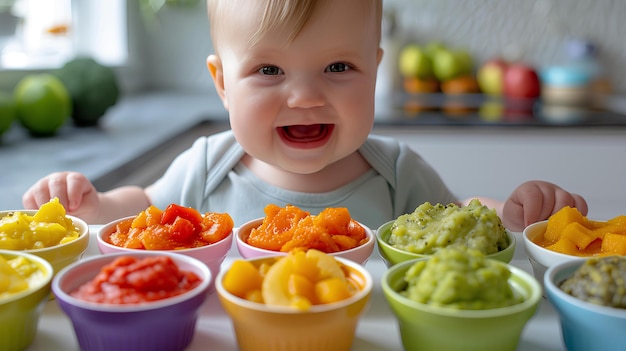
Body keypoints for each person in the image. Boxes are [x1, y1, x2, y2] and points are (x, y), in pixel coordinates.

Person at [22, 0, 587, 232]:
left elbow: (459, 216)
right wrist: (93, 206)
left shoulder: (395, 170)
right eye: (269, 71)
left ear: (375, 69)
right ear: (222, 84)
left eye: (339, 66)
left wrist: (515, 211)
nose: (305, 97)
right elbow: (144, 205)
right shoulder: (208, 165)